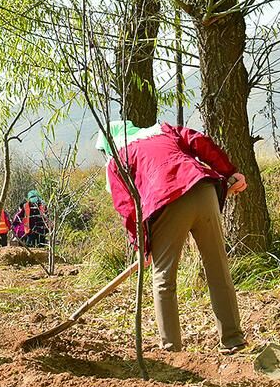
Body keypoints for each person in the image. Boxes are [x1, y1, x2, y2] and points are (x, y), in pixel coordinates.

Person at [102, 121, 247, 353]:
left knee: (163, 279)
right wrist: (230, 171)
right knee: (218, 268)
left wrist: (141, 244)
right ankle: (233, 340)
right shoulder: (163, 130)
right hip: (203, 189)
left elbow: (126, 206)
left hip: (167, 203)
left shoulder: (116, 160)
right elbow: (199, 142)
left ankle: (171, 350)